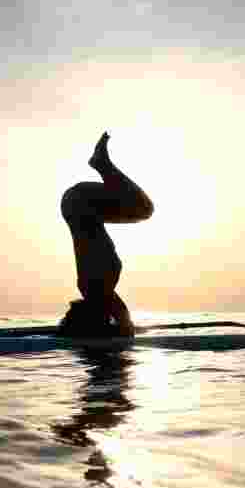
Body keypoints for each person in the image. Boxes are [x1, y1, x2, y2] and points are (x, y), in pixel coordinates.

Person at [59, 131, 153, 337]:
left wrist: (124, 328)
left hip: (81, 204)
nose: (108, 318)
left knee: (144, 208)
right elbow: (123, 322)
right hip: (78, 206)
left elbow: (124, 325)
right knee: (143, 208)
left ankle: (101, 164)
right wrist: (124, 327)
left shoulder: (96, 291)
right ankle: (101, 164)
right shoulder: (94, 290)